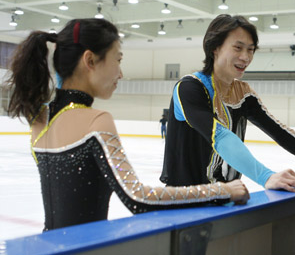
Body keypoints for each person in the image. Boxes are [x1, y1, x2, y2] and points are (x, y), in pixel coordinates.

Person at [6, 18, 249, 231]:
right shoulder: (96, 121)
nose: (120, 74)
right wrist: (222, 191)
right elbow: (139, 198)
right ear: (90, 60)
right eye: (118, 60)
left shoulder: (40, 117)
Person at [160, 14, 295, 193]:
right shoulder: (190, 88)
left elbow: (280, 132)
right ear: (214, 48)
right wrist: (265, 176)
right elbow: (220, 137)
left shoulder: (243, 93)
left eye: (250, 49)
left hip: (226, 196)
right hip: (185, 198)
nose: (246, 57)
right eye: (238, 48)